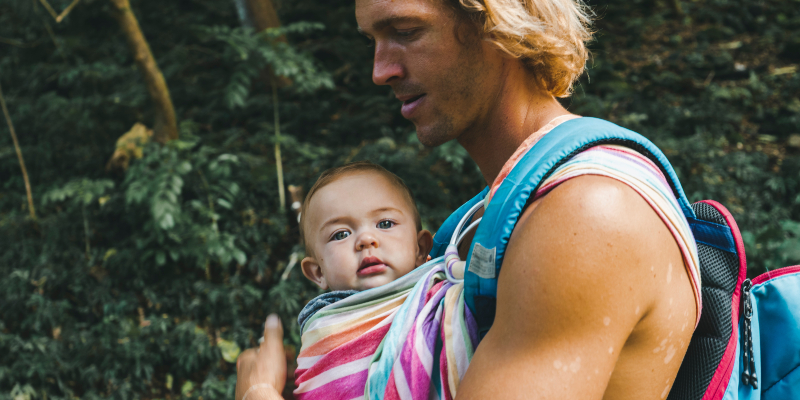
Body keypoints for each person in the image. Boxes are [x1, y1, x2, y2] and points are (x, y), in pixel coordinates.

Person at [236, 0, 700, 398]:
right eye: (373, 41)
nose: (381, 71)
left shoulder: (586, 213)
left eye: (405, 31)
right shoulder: (499, 215)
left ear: (495, 21)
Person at [297, 161, 433, 292]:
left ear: (419, 249)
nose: (366, 239)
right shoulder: (323, 315)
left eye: (385, 224)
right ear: (319, 272)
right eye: (341, 235)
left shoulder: (446, 298)